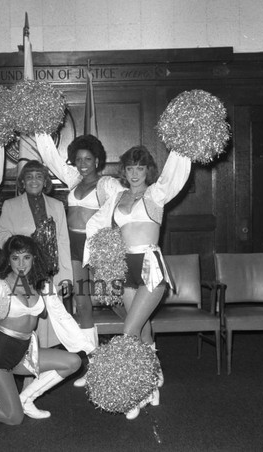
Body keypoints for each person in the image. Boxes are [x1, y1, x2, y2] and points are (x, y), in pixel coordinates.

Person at [84, 145, 191, 419]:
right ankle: (153, 379)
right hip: (124, 267)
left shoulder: (156, 194)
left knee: (129, 333)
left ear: (148, 170)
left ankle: (136, 393)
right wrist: (98, 257)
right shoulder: (117, 197)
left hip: (150, 267)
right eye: (130, 168)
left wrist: (183, 147)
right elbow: (95, 224)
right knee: (142, 332)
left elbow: (174, 174)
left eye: (140, 168)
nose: (134, 174)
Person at [0, 235, 96, 425]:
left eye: (26, 257)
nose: (21, 264)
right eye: (15, 258)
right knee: (13, 417)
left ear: (34, 258)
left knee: (73, 362)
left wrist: (90, 348)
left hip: (24, 353)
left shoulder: (44, 285)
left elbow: (63, 317)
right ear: (8, 259)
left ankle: (26, 399)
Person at [35, 132, 123, 386]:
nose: (82, 163)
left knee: (114, 300)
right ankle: (93, 365)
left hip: (96, 248)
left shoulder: (107, 184)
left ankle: (141, 346)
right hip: (72, 247)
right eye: (78, 159)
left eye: (87, 159)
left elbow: (127, 202)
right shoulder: (74, 179)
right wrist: (40, 131)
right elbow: (52, 159)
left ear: (97, 160)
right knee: (82, 304)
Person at [0, 159, 72, 349]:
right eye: (29, 177)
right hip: (23, 271)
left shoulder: (57, 205)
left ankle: (44, 367)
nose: (34, 181)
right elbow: (2, 235)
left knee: (49, 323)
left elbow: (63, 241)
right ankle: (26, 367)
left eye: (39, 176)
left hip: (50, 271)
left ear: (45, 181)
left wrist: (66, 277)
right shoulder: (10, 205)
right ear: (22, 182)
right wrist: (24, 246)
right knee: (26, 321)